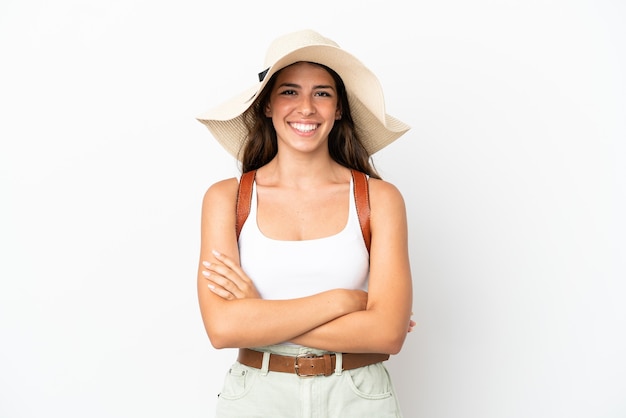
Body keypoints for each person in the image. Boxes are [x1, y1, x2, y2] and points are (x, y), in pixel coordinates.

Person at [196, 29, 413, 418]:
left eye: (323, 93)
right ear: (267, 105)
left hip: (358, 396)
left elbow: (387, 334)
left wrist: (258, 314)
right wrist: (345, 302)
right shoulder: (226, 200)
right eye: (290, 91)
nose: (307, 108)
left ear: (340, 108)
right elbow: (222, 330)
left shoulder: (380, 200)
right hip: (257, 397)